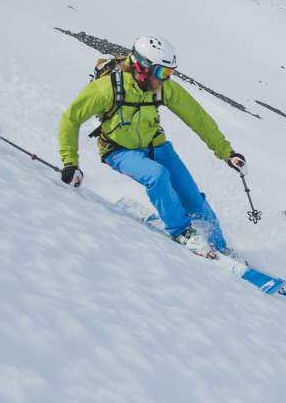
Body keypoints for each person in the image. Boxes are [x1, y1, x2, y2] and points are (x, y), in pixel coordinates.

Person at [58, 35, 245, 255]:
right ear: (142, 67)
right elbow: (71, 119)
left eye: (170, 73)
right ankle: (182, 232)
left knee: (192, 198)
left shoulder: (162, 88)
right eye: (162, 73)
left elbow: (198, 118)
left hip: (158, 147)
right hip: (119, 151)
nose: (166, 79)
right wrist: (70, 162)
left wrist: (227, 152)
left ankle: (220, 246)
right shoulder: (106, 89)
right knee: (157, 175)